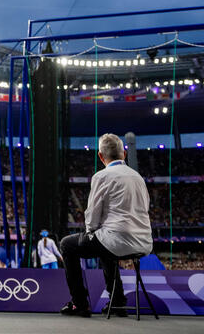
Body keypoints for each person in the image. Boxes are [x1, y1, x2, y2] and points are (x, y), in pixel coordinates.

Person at [59, 133, 152, 317]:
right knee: (104, 242)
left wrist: (90, 231)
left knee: (66, 245)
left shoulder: (102, 176)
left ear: (101, 156)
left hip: (116, 240)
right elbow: (146, 208)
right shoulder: (138, 177)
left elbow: (92, 214)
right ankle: (118, 303)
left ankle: (79, 303)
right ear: (124, 153)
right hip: (144, 241)